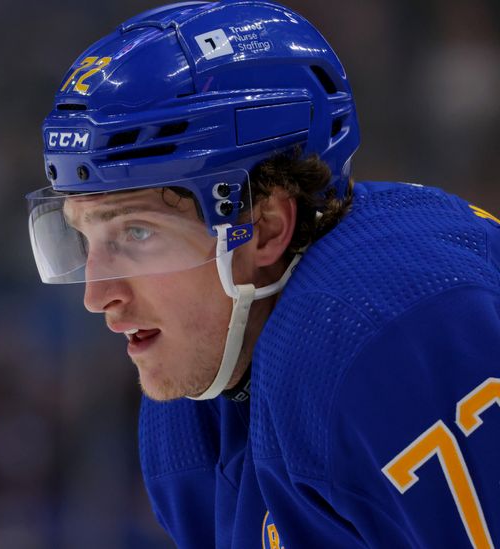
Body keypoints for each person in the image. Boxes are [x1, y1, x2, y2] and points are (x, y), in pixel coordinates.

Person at [25, 1, 500, 547]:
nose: (97, 296)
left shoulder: (380, 331)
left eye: (137, 233)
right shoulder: (193, 406)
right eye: (85, 237)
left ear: (267, 227)